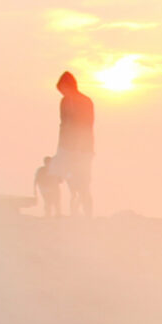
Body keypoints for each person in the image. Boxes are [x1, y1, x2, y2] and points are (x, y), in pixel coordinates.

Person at [55, 71, 95, 217]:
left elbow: (86, 126)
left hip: (83, 150)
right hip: (66, 148)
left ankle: (87, 213)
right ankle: (74, 210)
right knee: (69, 181)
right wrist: (60, 149)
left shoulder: (85, 101)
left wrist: (79, 149)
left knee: (83, 182)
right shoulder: (64, 102)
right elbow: (63, 125)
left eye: (63, 90)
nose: (62, 94)